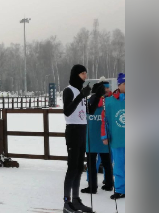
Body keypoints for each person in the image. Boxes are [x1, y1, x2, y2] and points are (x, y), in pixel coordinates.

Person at [62, 64, 93, 213]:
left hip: (82, 129)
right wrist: (81, 96)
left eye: (86, 73)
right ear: (76, 75)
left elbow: (89, 111)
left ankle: (76, 199)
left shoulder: (80, 91)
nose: (85, 76)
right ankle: (67, 202)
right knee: (72, 167)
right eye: (82, 73)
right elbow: (67, 111)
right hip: (73, 130)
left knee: (80, 166)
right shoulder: (69, 90)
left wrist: (97, 95)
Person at [81, 77, 114, 194]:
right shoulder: (110, 101)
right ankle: (109, 183)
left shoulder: (91, 100)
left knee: (91, 162)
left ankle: (92, 186)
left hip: (91, 134)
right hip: (104, 135)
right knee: (107, 162)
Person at [101, 73, 125, 199]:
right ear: (119, 85)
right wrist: (104, 136)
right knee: (119, 165)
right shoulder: (110, 101)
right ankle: (121, 189)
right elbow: (105, 119)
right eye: (125, 84)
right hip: (117, 139)